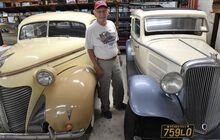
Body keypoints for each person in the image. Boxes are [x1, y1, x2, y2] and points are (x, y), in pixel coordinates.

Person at [85, 0, 126, 119]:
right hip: (103, 62)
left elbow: (115, 41)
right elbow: (89, 50)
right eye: (99, 11)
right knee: (104, 88)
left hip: (115, 60)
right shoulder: (91, 29)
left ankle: (118, 104)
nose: (102, 14)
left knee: (119, 85)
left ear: (108, 12)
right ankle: (105, 109)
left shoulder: (111, 24)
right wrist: (97, 67)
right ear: (95, 13)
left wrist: (118, 55)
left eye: (104, 11)